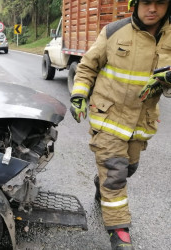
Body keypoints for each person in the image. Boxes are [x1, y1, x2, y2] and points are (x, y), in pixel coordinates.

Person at [69, 0, 171, 249]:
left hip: (140, 123)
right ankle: (119, 232)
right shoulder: (114, 32)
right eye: (147, 2)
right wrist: (79, 95)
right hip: (108, 117)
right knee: (115, 173)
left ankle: (100, 183)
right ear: (134, 4)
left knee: (128, 169)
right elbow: (87, 67)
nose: (153, 9)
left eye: (160, 3)